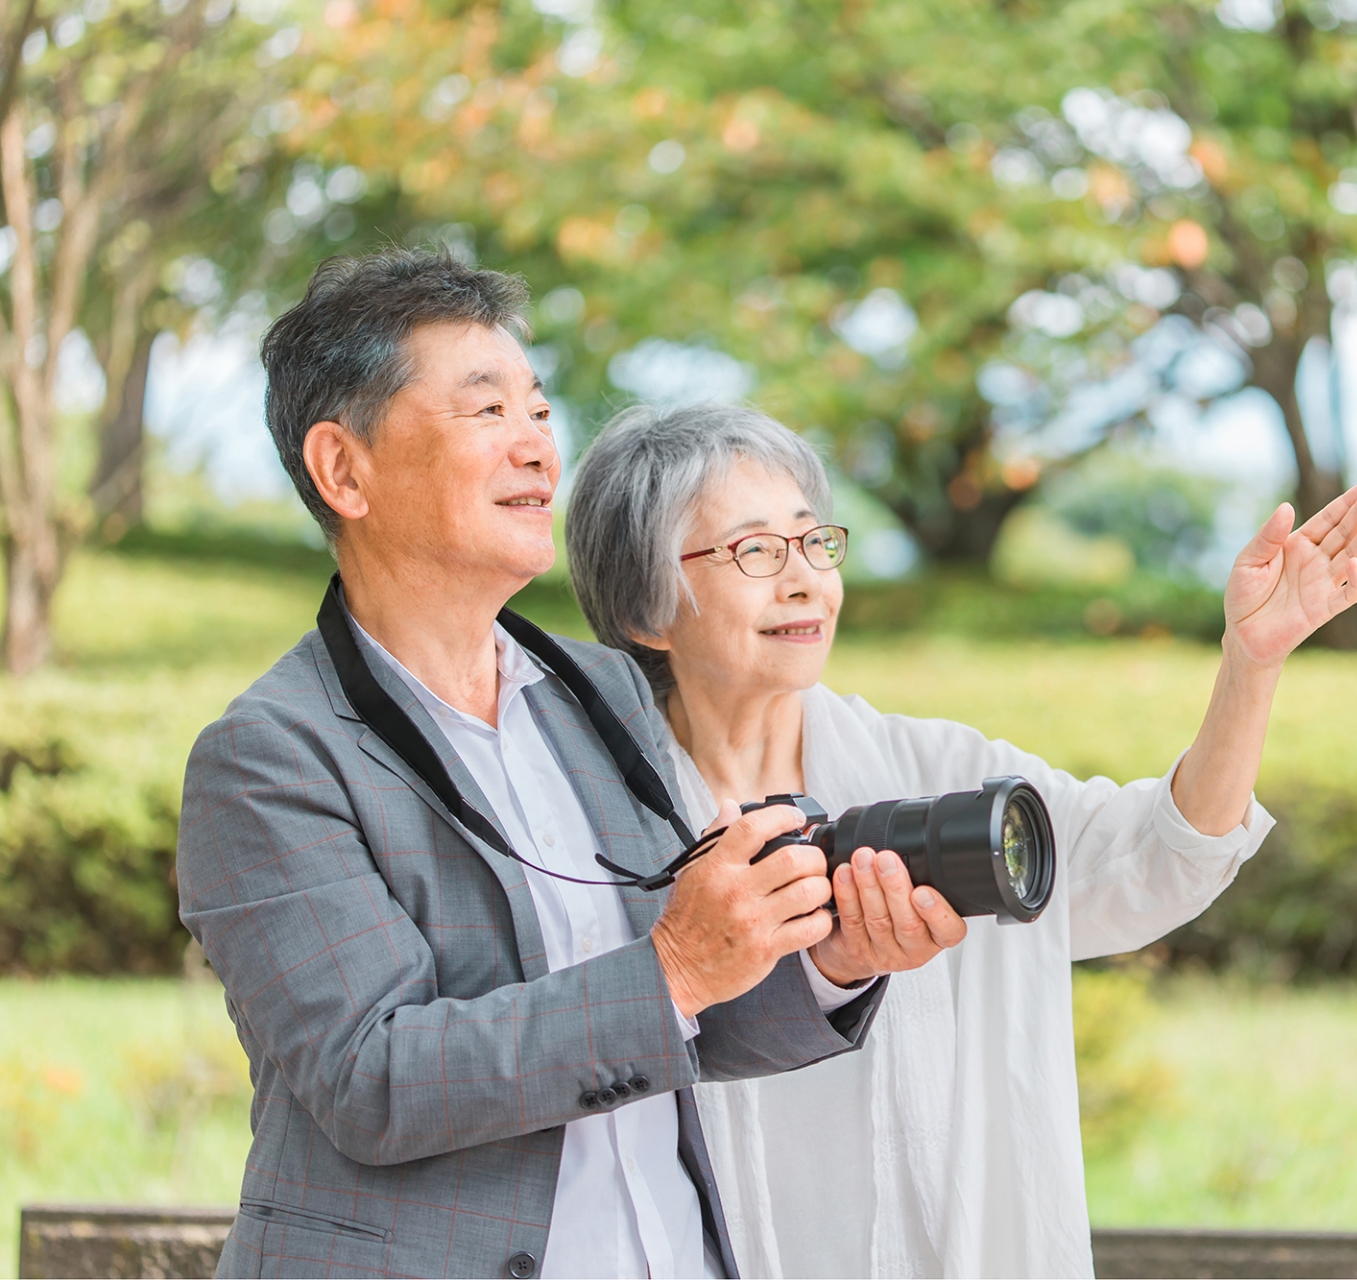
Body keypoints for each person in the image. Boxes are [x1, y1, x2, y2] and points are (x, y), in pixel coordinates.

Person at [175, 250, 963, 1280]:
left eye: (541, 411)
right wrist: (677, 965)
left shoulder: (604, 693)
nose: (538, 447)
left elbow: (683, 1020)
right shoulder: (269, 759)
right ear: (343, 469)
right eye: (485, 409)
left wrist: (828, 958)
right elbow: (373, 1079)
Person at [564, 402, 1357, 1277]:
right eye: (756, 552)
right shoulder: (585, 828)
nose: (804, 580)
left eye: (814, 542)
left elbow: (1155, 858)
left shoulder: (935, 772)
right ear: (647, 607)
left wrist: (1250, 663)